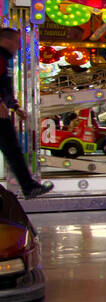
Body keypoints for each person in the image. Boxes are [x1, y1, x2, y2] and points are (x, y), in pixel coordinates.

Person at [0, 28, 53, 198]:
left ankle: (29, 186)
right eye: (17, 42)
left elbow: (4, 88)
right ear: (6, 41)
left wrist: (14, 107)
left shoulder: (4, 60)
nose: (18, 47)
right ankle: (29, 186)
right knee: (11, 149)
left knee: (12, 149)